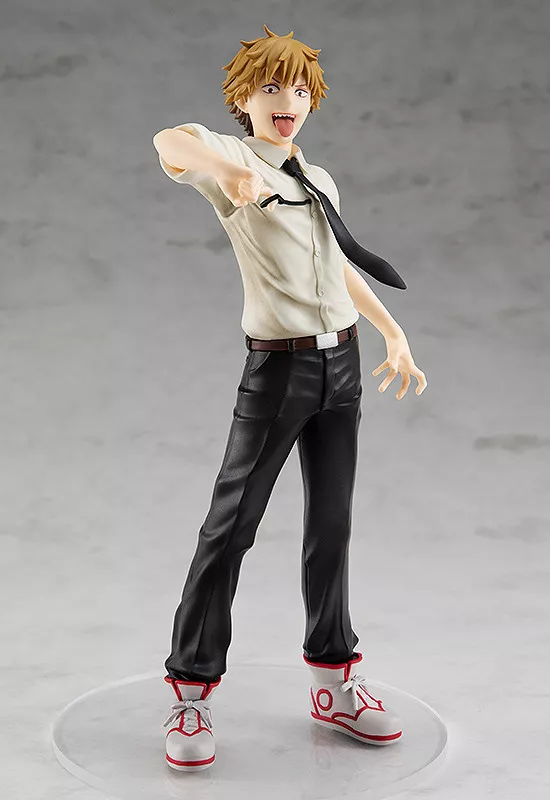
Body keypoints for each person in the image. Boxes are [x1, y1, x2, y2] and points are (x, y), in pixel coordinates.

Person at [152, 23, 427, 772]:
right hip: (278, 371)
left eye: (300, 89)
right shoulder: (231, 160)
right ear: (244, 97)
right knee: (231, 525)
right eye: (271, 87)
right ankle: (191, 688)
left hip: (343, 363)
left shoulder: (318, 179)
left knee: (332, 525)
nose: (288, 100)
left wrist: (392, 332)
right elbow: (169, 141)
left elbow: (336, 267)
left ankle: (333, 679)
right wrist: (229, 170)